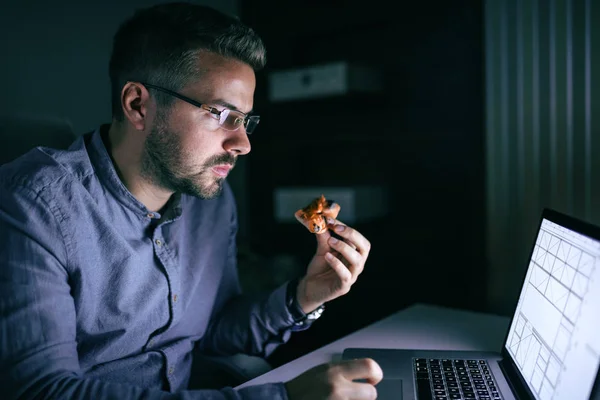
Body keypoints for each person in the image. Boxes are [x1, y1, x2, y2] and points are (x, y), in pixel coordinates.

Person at [0, 2, 383, 399]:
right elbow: (40, 391)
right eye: (221, 114)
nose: (244, 144)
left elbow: (213, 331)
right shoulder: (32, 205)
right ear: (138, 105)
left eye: (246, 120)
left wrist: (305, 295)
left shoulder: (212, 201)